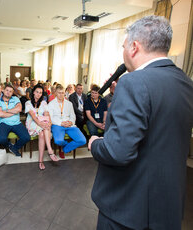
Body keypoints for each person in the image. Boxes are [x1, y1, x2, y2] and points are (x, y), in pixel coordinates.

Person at [88, 15, 193, 230]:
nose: (124, 51)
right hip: (166, 206)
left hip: (127, 207)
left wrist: (95, 144)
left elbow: (119, 151)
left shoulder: (133, 82)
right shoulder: (186, 83)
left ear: (134, 47)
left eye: (124, 46)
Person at [25, 85, 59, 170]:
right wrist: (41, 124)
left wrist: (49, 123)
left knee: (42, 134)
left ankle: (41, 160)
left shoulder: (43, 103)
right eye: (37, 92)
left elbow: (47, 114)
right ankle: (50, 151)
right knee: (43, 131)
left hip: (42, 121)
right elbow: (33, 116)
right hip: (32, 122)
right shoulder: (28, 103)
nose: (38, 94)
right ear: (33, 92)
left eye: (40, 93)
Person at [48, 84, 86, 158]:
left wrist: (71, 122)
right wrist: (61, 123)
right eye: (59, 93)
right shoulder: (51, 104)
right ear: (55, 93)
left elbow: (73, 116)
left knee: (82, 140)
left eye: (62, 93)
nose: (61, 95)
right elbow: (51, 118)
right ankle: (64, 145)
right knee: (58, 141)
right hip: (57, 125)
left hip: (69, 125)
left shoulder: (69, 104)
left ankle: (64, 149)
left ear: (65, 93)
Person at [0, 85, 30, 156]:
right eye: (7, 90)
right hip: (4, 123)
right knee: (1, 139)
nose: (8, 92)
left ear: (12, 93)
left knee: (26, 137)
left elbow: (19, 109)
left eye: (10, 91)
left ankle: (14, 148)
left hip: (17, 123)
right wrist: (13, 112)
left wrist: (6, 111)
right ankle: (10, 146)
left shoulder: (15, 99)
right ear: (3, 91)